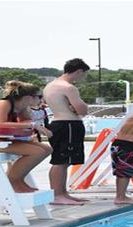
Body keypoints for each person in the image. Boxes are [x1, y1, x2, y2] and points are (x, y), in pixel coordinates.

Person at [43, 58, 90, 205]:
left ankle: (62, 193)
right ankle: (58, 195)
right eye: (83, 75)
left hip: (57, 123)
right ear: (78, 71)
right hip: (68, 124)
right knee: (61, 161)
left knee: (62, 160)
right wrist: (80, 106)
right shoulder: (69, 88)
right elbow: (82, 110)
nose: (82, 78)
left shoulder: (50, 86)